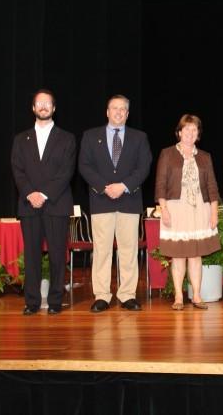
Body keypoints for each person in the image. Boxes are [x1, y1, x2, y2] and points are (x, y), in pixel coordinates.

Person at [79, 95, 152, 313]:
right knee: (102, 250)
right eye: (114, 108)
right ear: (107, 112)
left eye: (123, 109)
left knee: (128, 250)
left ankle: (127, 295)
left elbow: (144, 166)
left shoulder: (139, 138)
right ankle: (102, 295)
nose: (118, 112)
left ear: (128, 114)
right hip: (101, 201)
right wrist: (105, 186)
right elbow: (85, 166)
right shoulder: (91, 136)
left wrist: (123, 186)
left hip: (129, 200)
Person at [11, 89, 76, 315]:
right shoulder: (20, 139)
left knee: (58, 254)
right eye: (39, 103)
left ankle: (56, 301)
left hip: (56, 204)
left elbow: (66, 172)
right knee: (31, 256)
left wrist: (44, 194)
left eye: (47, 103)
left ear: (54, 108)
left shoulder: (67, 138)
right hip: (29, 205)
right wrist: (31, 194)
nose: (43, 107)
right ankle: (32, 302)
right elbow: (18, 171)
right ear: (33, 108)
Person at [154, 114, 220, 310]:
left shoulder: (205, 157)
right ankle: (178, 297)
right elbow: (160, 185)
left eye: (194, 130)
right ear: (179, 132)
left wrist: (214, 212)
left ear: (198, 134)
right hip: (175, 208)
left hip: (200, 208)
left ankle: (197, 296)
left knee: (195, 254)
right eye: (187, 129)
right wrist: (164, 210)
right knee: (178, 254)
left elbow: (212, 187)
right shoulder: (167, 154)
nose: (190, 133)